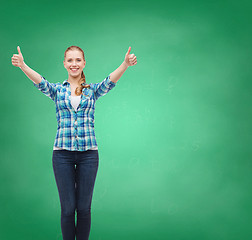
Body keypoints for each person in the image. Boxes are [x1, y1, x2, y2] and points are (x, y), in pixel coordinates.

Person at [11, 45, 137, 240]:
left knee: (84, 208)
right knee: (68, 209)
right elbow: (40, 82)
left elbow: (109, 82)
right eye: (70, 60)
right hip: (62, 155)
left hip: (89, 154)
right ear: (64, 64)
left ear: (84, 63)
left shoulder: (91, 91)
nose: (74, 64)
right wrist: (23, 66)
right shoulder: (57, 91)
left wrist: (125, 64)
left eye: (78, 60)